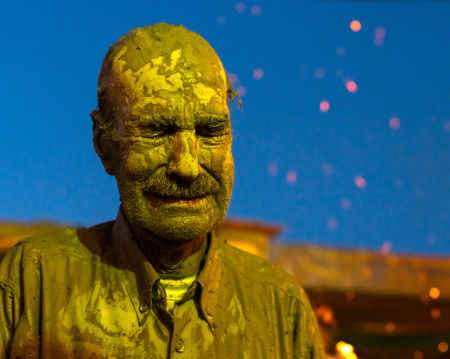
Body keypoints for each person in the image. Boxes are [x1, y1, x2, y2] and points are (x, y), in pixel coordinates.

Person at [0, 23, 324, 358]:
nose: (186, 166)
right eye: (157, 131)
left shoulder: (280, 306)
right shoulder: (33, 282)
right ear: (104, 144)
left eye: (210, 131)